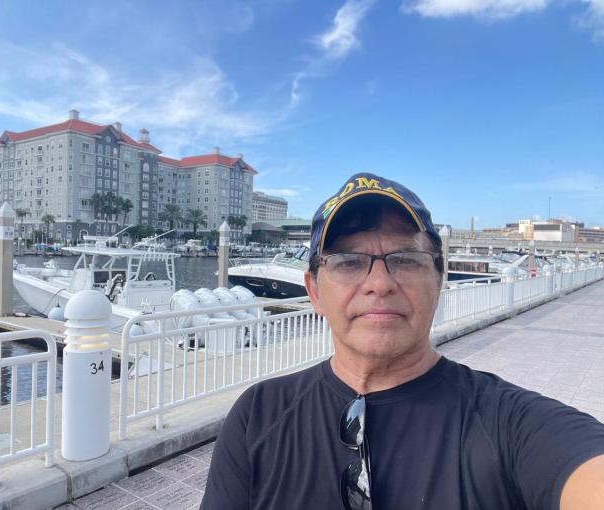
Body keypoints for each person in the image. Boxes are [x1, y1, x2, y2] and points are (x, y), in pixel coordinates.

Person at [201, 172, 604, 510]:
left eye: (406, 259)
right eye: (348, 262)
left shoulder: (508, 423)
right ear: (315, 291)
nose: (379, 284)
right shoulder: (258, 416)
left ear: (439, 280)